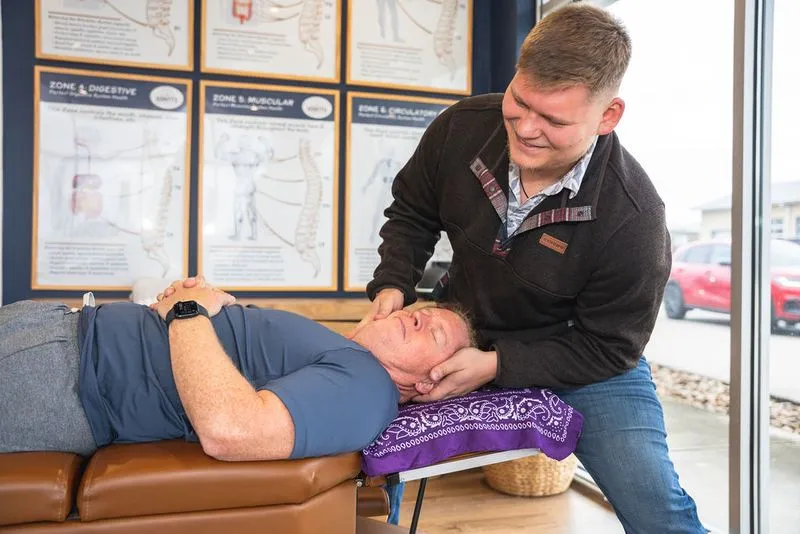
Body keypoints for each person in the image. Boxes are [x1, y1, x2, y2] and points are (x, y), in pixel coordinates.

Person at [353, 4, 708, 533]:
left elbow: (609, 348)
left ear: (608, 116)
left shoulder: (634, 218)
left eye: (555, 120)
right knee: (364, 442)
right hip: (465, 328)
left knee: (655, 507)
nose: (526, 129)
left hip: (583, 357)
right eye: (519, 102)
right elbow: (412, 212)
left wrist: (497, 365)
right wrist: (392, 284)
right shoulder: (462, 128)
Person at [0, 276, 474, 461]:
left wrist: (187, 311)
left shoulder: (368, 390)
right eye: (425, 310)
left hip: (62, 375)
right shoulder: (346, 358)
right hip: (54, 330)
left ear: (427, 381)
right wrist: (201, 303)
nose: (421, 316)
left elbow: (231, 429)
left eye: (436, 334)